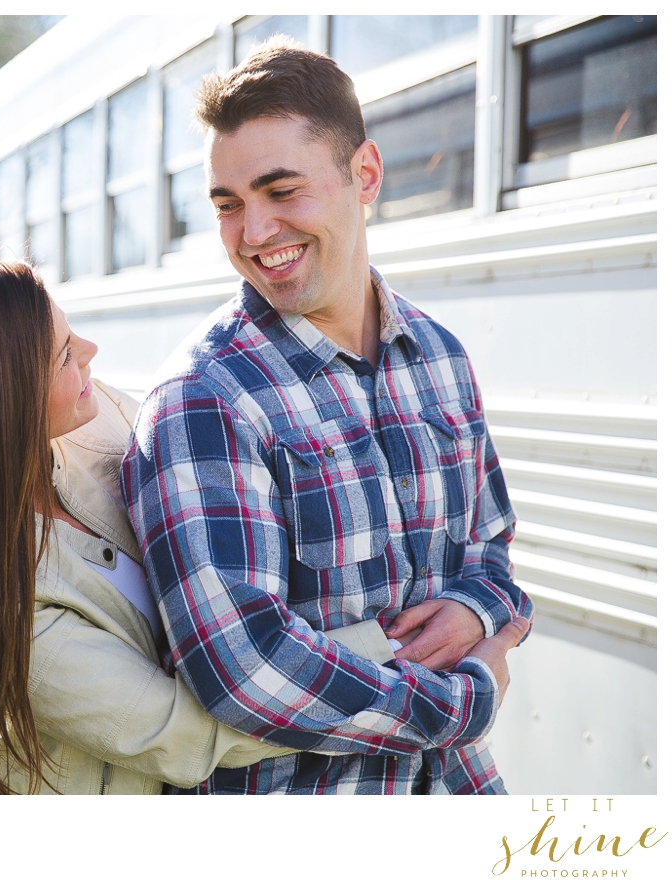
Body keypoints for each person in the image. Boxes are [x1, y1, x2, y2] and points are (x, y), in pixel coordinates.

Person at [121, 36, 534, 795]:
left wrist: (476, 611)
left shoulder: (439, 356)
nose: (253, 233)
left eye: (282, 192)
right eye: (229, 205)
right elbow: (243, 666)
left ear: (364, 173)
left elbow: (491, 548)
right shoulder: (204, 397)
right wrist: (459, 703)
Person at [0, 259, 400, 795]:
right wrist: (390, 647)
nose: (90, 353)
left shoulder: (95, 419)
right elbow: (186, 735)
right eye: (65, 355)